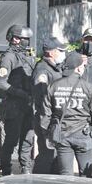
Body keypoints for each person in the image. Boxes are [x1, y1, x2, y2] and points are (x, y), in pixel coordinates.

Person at [45, 52, 92, 178]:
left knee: (66, 176)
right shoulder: (89, 88)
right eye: (82, 66)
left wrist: (48, 135)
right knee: (86, 175)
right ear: (77, 68)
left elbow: (45, 115)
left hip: (62, 136)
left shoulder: (53, 86)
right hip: (83, 136)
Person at [0, 24, 36, 175]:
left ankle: (25, 168)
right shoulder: (9, 57)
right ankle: (6, 169)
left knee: (28, 138)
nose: (27, 41)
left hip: (27, 104)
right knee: (12, 140)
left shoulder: (26, 56)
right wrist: (20, 93)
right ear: (15, 39)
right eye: (24, 39)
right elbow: (1, 82)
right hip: (14, 105)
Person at [32, 38, 67, 174]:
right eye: (60, 51)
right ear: (51, 53)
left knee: (56, 156)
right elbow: (42, 98)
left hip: (55, 119)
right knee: (47, 155)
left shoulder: (54, 68)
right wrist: (47, 123)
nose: (63, 53)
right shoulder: (42, 71)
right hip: (46, 120)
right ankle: (37, 183)